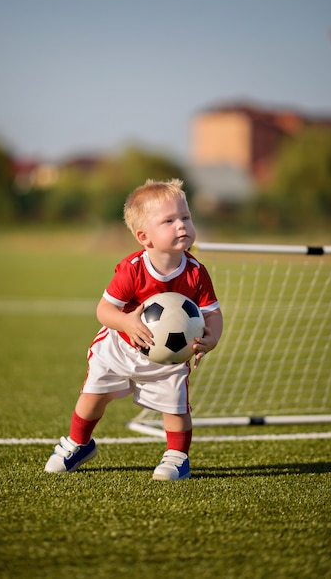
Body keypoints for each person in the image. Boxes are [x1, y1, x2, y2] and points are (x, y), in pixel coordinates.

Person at [45, 178, 223, 480]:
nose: (181, 225)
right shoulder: (132, 269)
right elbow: (104, 310)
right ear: (145, 236)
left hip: (168, 356)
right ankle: (79, 443)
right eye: (169, 220)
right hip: (121, 346)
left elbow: (212, 312)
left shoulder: (195, 272)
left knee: (176, 407)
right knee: (91, 396)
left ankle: (177, 457)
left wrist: (212, 337)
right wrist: (127, 321)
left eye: (186, 217)